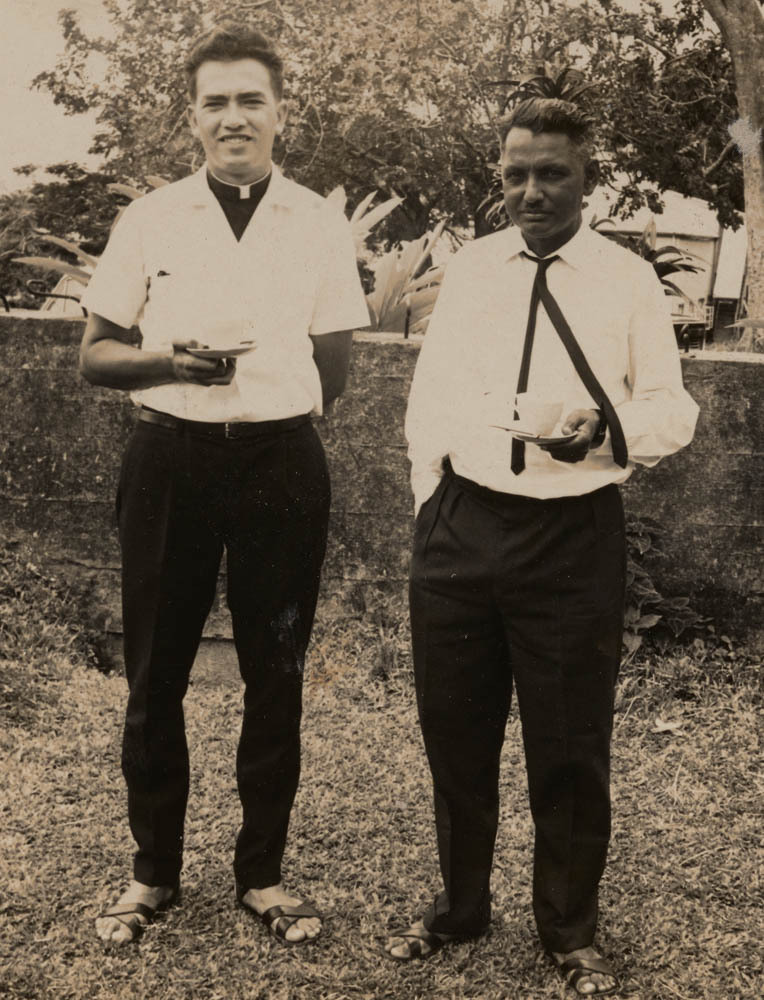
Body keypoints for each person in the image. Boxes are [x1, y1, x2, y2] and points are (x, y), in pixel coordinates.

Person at [386, 97, 699, 995]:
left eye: (551, 172)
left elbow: (673, 409)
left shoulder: (627, 279)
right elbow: (429, 404)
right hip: (461, 525)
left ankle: (568, 930)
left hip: (571, 534)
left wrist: (601, 435)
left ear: (586, 180)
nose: (531, 190)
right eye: (516, 173)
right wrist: (430, 509)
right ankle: (459, 910)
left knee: (568, 744)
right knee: (456, 732)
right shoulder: (473, 269)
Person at [80, 24, 369, 947]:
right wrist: (168, 363)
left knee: (273, 672)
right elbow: (96, 355)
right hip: (171, 461)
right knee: (155, 674)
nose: (233, 117)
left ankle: (263, 874)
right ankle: (152, 873)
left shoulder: (318, 223)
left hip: (282, 467)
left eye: (251, 99)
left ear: (280, 112)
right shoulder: (151, 218)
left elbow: (334, 365)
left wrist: (266, 407)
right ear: (192, 117)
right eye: (216, 101)